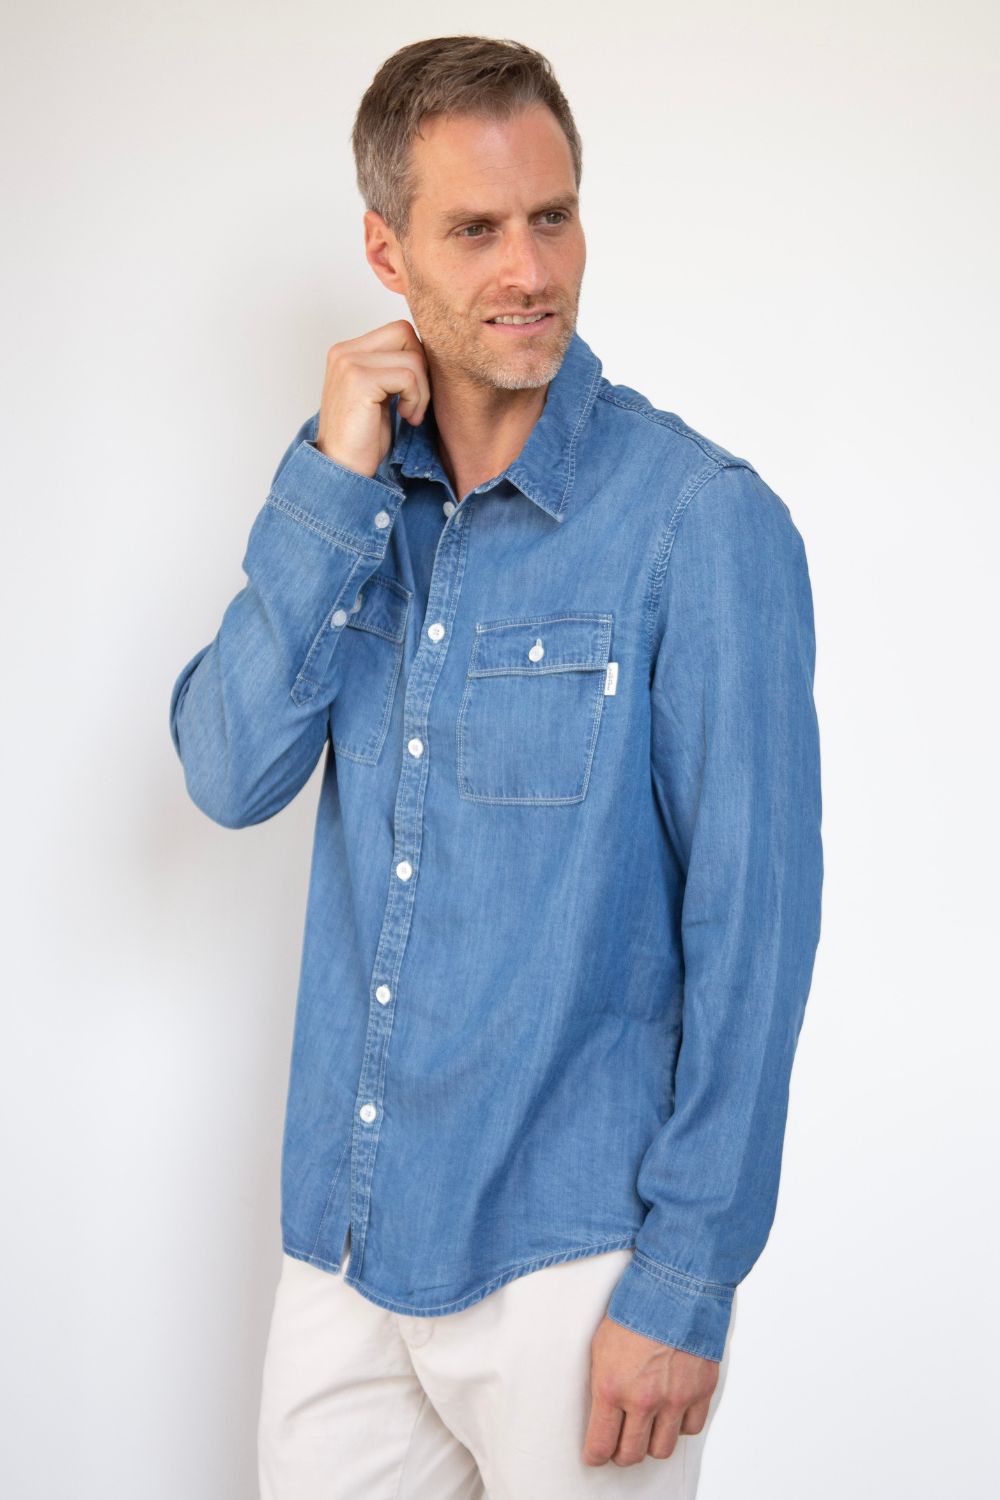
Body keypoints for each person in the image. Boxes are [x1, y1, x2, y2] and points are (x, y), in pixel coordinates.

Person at [168, 34, 823, 1500]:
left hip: (573, 1263)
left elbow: (756, 925)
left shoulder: (700, 522)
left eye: (554, 216)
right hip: (346, 1242)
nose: (531, 270)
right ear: (385, 251)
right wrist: (329, 481)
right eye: (476, 230)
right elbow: (224, 772)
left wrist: (688, 1279)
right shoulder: (349, 494)